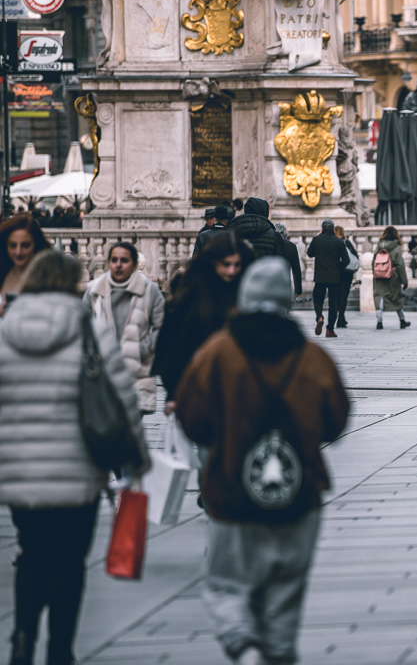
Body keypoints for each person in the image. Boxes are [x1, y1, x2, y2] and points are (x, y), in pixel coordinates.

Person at [176, 258, 347, 665]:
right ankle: (279, 650)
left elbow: (192, 419)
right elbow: (335, 422)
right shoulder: (312, 357)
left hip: (231, 491)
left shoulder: (217, 352)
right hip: (298, 492)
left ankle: (246, 648)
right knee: (285, 590)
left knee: (227, 585)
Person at [0, 250, 147, 665]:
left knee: (31, 551)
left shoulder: (5, 328)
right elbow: (120, 394)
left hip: (19, 469)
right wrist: (136, 459)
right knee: (68, 561)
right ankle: (60, 649)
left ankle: (23, 637)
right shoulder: (87, 327)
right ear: (71, 282)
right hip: (78, 466)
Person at [155, 231, 254, 416]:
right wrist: (173, 394)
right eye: (226, 264)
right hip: (203, 384)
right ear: (213, 262)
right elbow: (176, 345)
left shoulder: (246, 293)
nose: (231, 271)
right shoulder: (194, 293)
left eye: (237, 265)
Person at [83, 242, 166, 414]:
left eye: (124, 260)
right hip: (101, 370)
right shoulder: (93, 290)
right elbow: (80, 326)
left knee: (132, 425)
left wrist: (142, 349)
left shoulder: (150, 290)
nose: (118, 265)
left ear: (135, 264)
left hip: (137, 371)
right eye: (114, 260)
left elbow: (163, 327)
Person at [0, 214, 51, 317]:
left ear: (36, 245)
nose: (18, 252)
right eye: (13, 245)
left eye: (25, 245)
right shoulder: (2, 271)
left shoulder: (48, 278)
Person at [305, 219, 348, 338]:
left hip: (320, 277)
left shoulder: (317, 240)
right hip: (335, 277)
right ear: (333, 229)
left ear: (322, 228)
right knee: (333, 304)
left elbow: (309, 253)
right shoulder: (338, 241)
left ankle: (319, 316)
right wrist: (339, 268)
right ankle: (330, 329)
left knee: (318, 300)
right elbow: (346, 260)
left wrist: (317, 236)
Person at [372, 226, 410, 331]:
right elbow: (400, 265)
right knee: (396, 298)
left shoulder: (379, 246)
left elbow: (373, 262)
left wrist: (375, 273)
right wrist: (404, 281)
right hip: (393, 276)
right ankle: (402, 321)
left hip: (379, 276)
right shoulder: (396, 246)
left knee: (379, 297)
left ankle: (379, 322)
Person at [331, 226, 359, 329]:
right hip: (347, 272)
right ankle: (341, 318)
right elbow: (355, 255)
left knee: (335, 296)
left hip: (336, 272)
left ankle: (337, 318)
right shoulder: (346, 242)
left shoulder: (333, 243)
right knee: (344, 295)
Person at [274, 222, 304, 299]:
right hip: (285, 282)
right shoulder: (291, 246)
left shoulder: (270, 243)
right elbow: (296, 270)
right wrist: (298, 290)